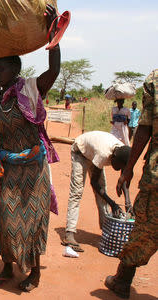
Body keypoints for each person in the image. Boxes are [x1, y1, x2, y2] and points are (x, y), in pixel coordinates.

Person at [0, 5, 60, 292]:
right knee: (9, 221)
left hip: (35, 170)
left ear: (15, 69)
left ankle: (34, 272)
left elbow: (54, 69)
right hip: (9, 171)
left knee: (34, 219)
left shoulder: (31, 90)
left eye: (0, 68)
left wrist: (54, 36)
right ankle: (7, 265)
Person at [105, 69, 157, 299]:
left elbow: (145, 127)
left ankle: (123, 280)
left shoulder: (155, 80)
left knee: (145, 227)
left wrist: (128, 169)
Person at [63, 131, 131, 252]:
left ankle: (106, 231)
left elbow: (124, 177)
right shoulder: (103, 154)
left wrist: (127, 201)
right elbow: (94, 183)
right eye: (119, 166)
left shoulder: (123, 152)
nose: (119, 168)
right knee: (77, 192)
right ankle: (69, 233)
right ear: (114, 158)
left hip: (94, 152)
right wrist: (112, 203)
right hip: (81, 153)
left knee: (102, 194)